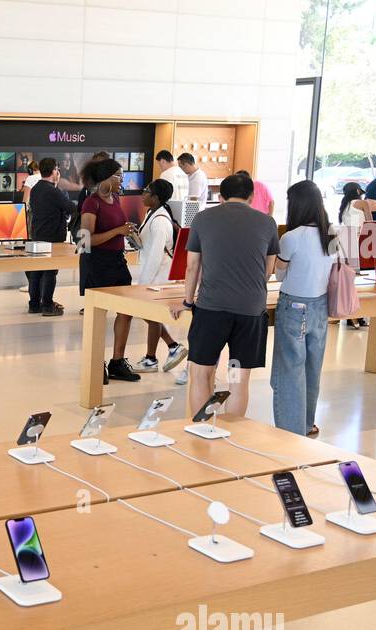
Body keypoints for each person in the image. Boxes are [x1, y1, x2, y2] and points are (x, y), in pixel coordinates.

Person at [171, 172, 279, 419]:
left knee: (202, 373)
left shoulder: (203, 219)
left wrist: (188, 301)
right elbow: (269, 269)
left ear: (220, 197)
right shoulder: (267, 223)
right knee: (237, 378)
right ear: (251, 197)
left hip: (211, 309)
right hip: (250, 311)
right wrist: (250, 289)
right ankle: (233, 437)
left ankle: (200, 429)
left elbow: (192, 267)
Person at [271, 180, 336, 436]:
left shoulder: (290, 238)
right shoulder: (331, 234)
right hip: (321, 305)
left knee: (290, 367)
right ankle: (308, 424)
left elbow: (279, 276)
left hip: (293, 306)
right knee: (312, 367)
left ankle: (291, 428)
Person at [77, 157, 140, 381]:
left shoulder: (115, 198)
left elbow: (118, 227)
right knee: (99, 316)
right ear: (105, 178)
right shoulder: (91, 203)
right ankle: (97, 364)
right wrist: (117, 232)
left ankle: (117, 361)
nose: (122, 179)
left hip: (116, 261)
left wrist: (127, 231)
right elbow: (85, 241)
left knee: (126, 310)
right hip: (97, 264)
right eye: (119, 175)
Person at [131, 178, 188, 373]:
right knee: (150, 316)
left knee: (148, 314)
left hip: (158, 277)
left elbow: (156, 256)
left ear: (155, 197)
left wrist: (142, 284)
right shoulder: (152, 213)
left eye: (146, 191)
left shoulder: (160, 221)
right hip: (153, 274)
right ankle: (153, 357)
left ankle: (170, 347)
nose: (143, 194)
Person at [24, 157, 73, 316]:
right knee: (50, 272)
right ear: (54, 172)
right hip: (52, 238)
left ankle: (34, 304)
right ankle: (47, 305)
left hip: (37, 235)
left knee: (36, 272)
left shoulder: (37, 188)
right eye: (57, 170)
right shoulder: (53, 191)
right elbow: (70, 207)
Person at [337, 182, 372, 329]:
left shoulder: (344, 205)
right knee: (356, 283)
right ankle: (356, 315)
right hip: (357, 243)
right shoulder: (362, 202)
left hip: (344, 242)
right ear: (358, 191)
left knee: (347, 281)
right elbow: (371, 222)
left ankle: (349, 313)